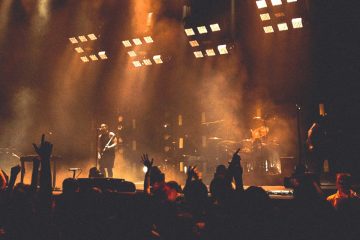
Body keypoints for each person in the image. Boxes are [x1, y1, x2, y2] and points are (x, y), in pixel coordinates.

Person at [306, 115, 330, 181]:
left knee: (319, 164)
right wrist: (310, 145)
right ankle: (315, 180)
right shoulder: (316, 125)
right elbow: (309, 133)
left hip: (319, 147)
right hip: (316, 147)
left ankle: (317, 179)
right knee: (316, 164)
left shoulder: (321, 126)